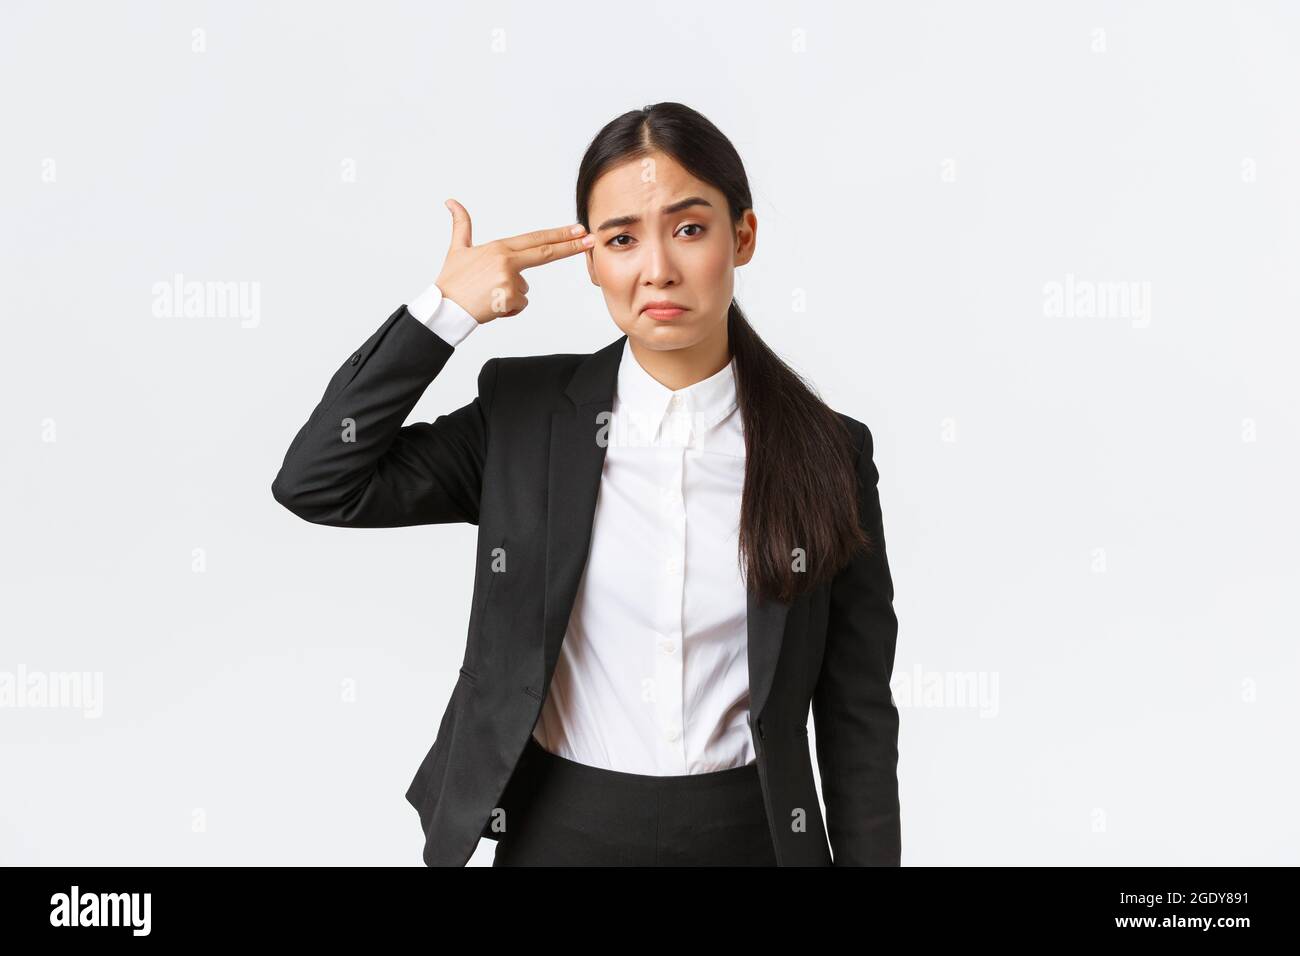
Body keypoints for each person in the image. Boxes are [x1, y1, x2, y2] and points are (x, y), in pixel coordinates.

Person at [271, 102, 900, 866]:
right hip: (556, 834)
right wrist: (444, 314)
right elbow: (319, 481)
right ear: (592, 260)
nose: (657, 268)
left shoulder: (828, 452)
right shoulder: (524, 418)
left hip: (751, 839)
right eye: (623, 238)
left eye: (690, 228)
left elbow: (856, 714)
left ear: (744, 237)